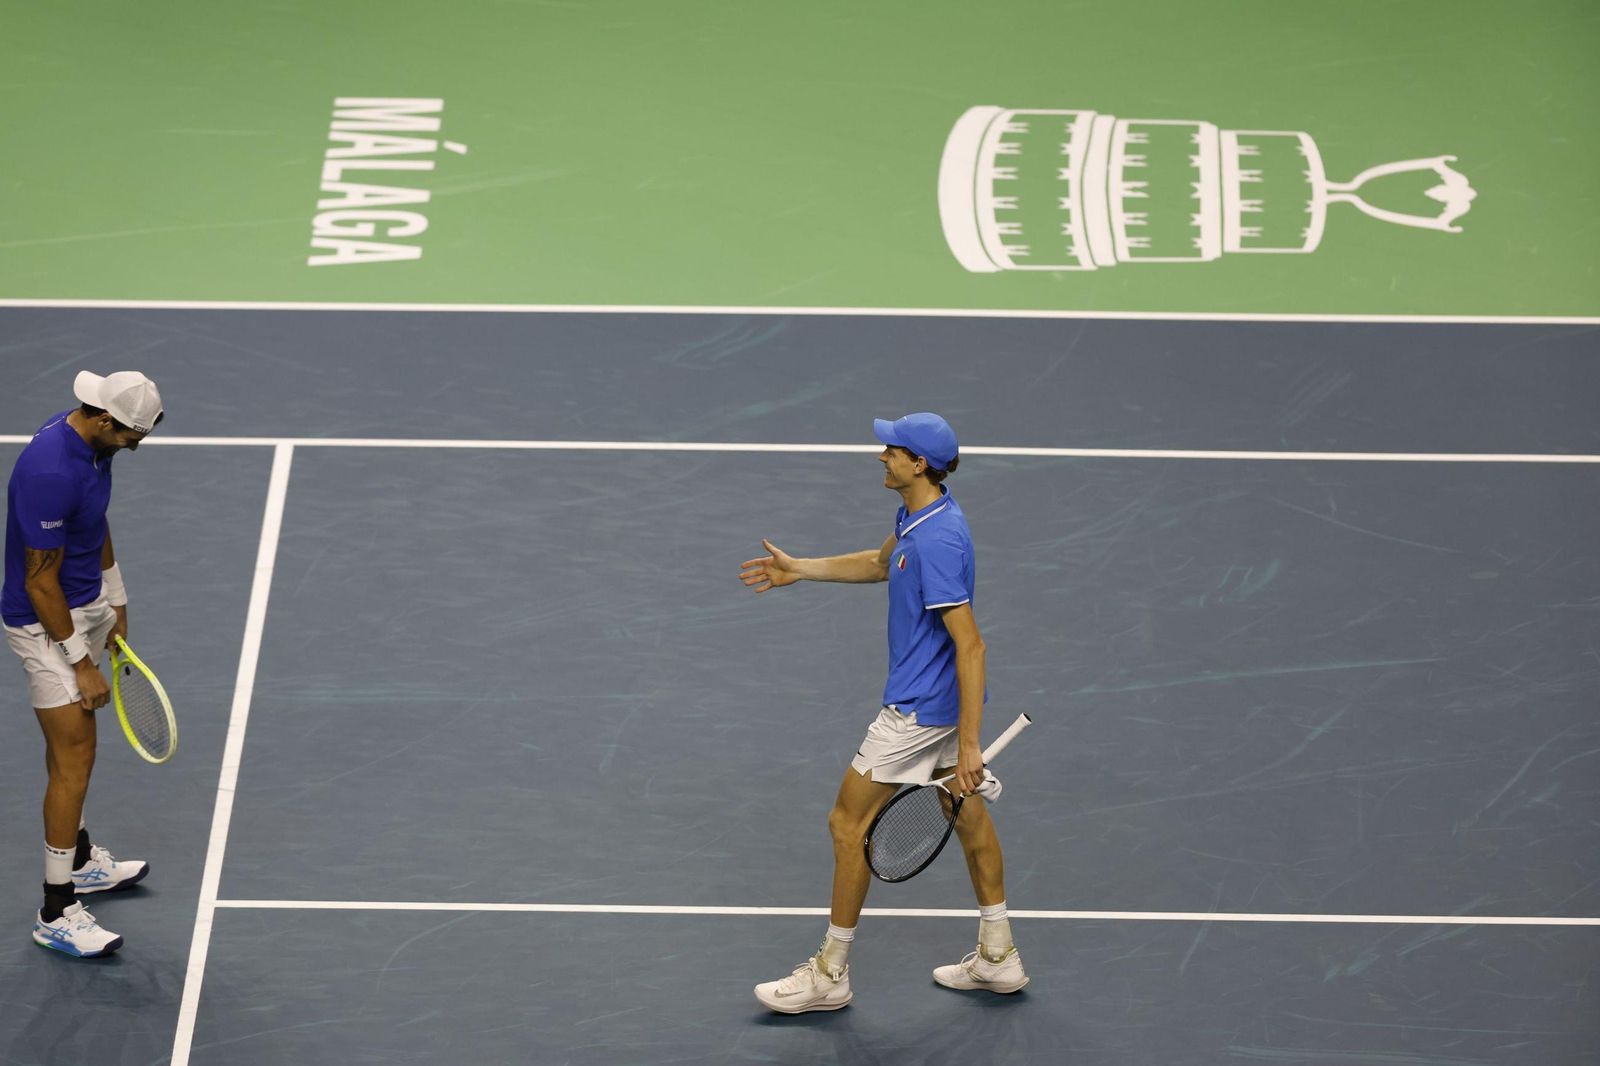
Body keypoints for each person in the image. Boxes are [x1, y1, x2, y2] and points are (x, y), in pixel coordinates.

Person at [739, 412, 1027, 1013]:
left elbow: (971, 644)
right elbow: (877, 562)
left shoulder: (939, 541)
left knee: (848, 825)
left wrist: (969, 744)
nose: (881, 457)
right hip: (941, 708)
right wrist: (801, 569)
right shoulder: (922, 515)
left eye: (891, 450)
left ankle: (829, 973)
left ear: (918, 463)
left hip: (918, 714)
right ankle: (999, 955)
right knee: (968, 817)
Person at [3, 371, 165, 957]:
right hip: (45, 625)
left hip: (86, 605)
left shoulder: (95, 445)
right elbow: (37, 579)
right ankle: (55, 909)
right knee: (75, 755)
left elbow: (93, 524)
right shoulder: (51, 470)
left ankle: (78, 859)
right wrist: (81, 661)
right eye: (130, 436)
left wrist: (116, 600)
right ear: (102, 419)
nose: (135, 445)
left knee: (68, 752)